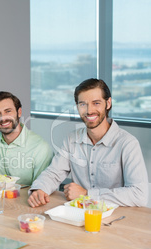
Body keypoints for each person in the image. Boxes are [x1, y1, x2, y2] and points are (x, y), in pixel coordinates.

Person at [28, 78, 149, 207]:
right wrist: (39, 189)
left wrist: (87, 194)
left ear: (108, 103)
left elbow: (139, 194)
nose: (89, 110)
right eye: (83, 104)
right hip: (79, 213)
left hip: (116, 219)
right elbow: (53, 173)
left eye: (96, 103)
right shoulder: (71, 139)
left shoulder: (127, 143)